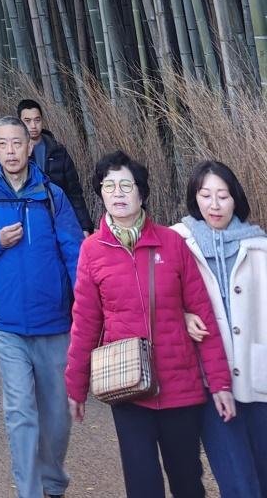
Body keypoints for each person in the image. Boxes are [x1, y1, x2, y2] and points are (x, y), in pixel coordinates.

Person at [65, 149, 234, 498]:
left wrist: (219, 383)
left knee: (187, 481)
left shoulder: (172, 243)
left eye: (126, 185)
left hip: (180, 385)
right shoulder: (93, 251)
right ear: (100, 193)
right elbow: (84, 323)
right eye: (108, 186)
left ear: (141, 192)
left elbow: (202, 316)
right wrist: (75, 387)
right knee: (143, 485)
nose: (118, 193)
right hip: (127, 386)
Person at [0, 114, 84, 498]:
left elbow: (74, 253)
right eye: (2, 143)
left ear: (30, 145)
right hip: (8, 324)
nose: (11, 151)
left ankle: (53, 481)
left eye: (17, 143)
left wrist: (85, 306)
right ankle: (29, 491)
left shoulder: (51, 196)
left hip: (54, 322)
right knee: (20, 414)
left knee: (57, 415)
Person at [175, 159, 267, 493]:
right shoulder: (178, 243)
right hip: (209, 381)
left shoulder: (259, 246)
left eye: (223, 196)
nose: (214, 205)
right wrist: (183, 316)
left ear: (236, 199)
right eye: (206, 195)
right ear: (194, 198)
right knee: (238, 483)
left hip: (259, 380)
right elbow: (160, 303)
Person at [17, 99, 92, 234]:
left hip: (60, 218)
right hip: (29, 223)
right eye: (27, 121)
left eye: (37, 120)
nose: (33, 126)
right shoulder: (14, 155)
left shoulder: (58, 151)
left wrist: (85, 226)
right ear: (19, 123)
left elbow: (74, 192)